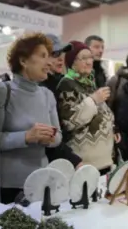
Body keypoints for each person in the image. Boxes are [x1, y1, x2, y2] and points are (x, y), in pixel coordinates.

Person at [0, 33, 62, 209]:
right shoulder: (2, 91)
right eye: (43, 56)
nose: (49, 63)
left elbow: (59, 136)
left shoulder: (47, 95)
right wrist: (26, 137)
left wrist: (50, 138)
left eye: (50, 57)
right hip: (3, 187)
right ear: (23, 61)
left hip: (38, 183)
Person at [56, 41, 119, 175]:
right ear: (72, 62)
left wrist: (113, 128)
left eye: (90, 57)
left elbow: (102, 114)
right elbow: (69, 122)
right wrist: (93, 100)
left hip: (104, 163)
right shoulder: (67, 84)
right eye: (83, 58)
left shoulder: (90, 84)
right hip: (84, 165)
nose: (89, 62)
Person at [40, 34, 83, 169]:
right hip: (48, 163)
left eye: (63, 53)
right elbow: (50, 135)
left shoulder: (61, 84)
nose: (60, 58)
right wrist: (74, 160)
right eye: (55, 54)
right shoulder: (41, 90)